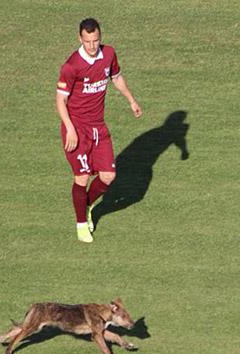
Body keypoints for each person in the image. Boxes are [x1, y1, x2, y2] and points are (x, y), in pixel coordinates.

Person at [56, 18, 142, 243]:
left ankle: (84, 206)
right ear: (80, 39)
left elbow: (116, 77)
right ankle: (81, 224)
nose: (92, 46)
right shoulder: (71, 66)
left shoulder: (109, 54)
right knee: (82, 177)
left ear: (100, 36)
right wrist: (70, 129)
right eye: (87, 41)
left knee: (108, 176)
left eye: (95, 40)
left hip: (98, 126)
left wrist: (131, 100)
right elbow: (60, 100)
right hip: (76, 128)